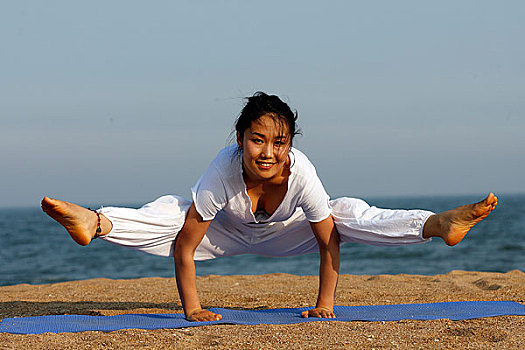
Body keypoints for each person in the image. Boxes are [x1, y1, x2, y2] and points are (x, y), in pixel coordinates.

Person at [41, 92, 498, 322]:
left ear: (289, 145)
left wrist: (324, 304)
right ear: (240, 140)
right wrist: (191, 310)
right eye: (257, 140)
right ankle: (97, 221)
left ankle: (438, 224)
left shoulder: (303, 174)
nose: (267, 152)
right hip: (224, 235)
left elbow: (327, 243)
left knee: (345, 211)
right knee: (174, 211)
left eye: (278, 142)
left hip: (289, 236)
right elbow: (184, 246)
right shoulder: (221, 172)